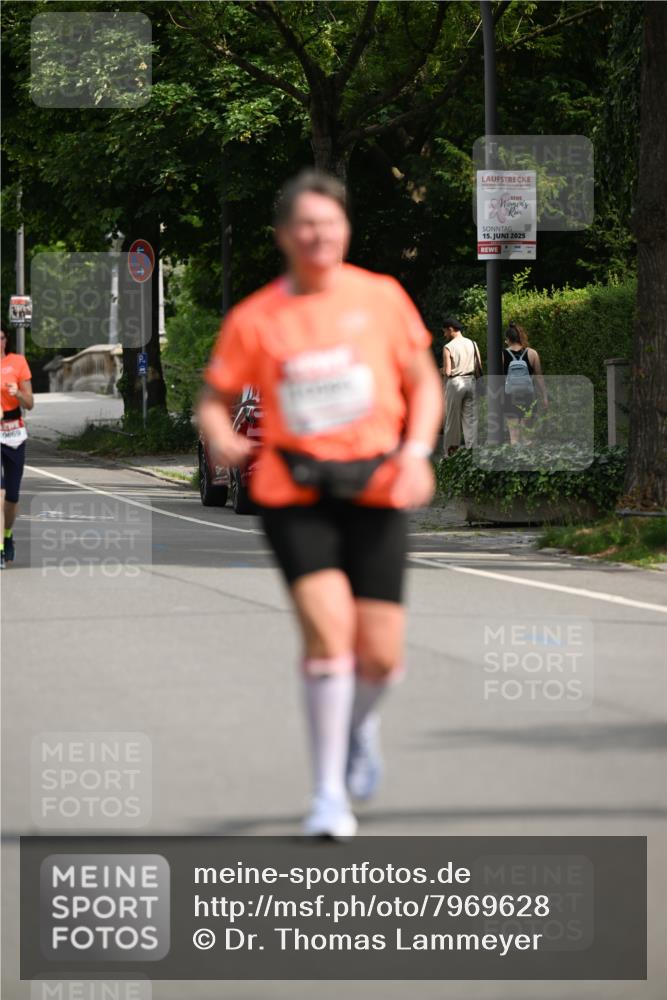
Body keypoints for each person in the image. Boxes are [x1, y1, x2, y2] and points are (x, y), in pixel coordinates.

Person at [198, 169, 443, 838]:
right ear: (283, 236)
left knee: (382, 657)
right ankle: (327, 794)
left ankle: (357, 728)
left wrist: (416, 453)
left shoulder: (382, 298)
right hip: (293, 491)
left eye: (329, 225)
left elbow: (423, 385)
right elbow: (215, 401)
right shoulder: (257, 317)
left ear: (344, 231)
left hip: (374, 486)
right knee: (329, 639)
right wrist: (222, 438)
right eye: (304, 226)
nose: (317, 236)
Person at [1, 327, 34, 568]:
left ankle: (8, 535)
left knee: (11, 496)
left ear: (5, 340)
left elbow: (30, 403)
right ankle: (0, 547)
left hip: (14, 433)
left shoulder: (18, 362)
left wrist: (18, 394)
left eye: (0, 338)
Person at [441, 317, 482, 456]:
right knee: (470, 420)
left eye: (445, 332)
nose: (444, 335)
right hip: (471, 381)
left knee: (452, 421)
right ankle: (472, 453)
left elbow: (447, 371)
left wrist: (440, 371)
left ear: (451, 329)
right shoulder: (473, 344)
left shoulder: (448, 347)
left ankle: (450, 455)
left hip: (455, 383)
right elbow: (479, 367)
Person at [502, 321, 547, 444]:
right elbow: (539, 377)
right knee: (527, 435)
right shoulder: (532, 353)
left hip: (510, 396)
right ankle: (528, 460)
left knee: (514, 436)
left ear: (508, 339)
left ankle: (516, 461)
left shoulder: (502, 354)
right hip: (528, 396)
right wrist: (544, 397)